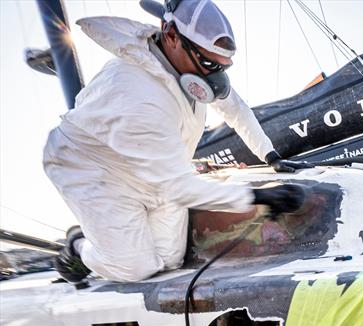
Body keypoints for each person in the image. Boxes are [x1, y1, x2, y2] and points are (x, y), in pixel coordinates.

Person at [44, 0, 308, 284]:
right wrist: (257, 197)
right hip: (92, 167)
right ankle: (78, 247)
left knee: (170, 259)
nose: (213, 76)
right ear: (171, 35)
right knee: (136, 268)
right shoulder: (138, 94)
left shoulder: (191, 67)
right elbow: (179, 188)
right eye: (208, 64)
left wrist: (271, 155)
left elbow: (235, 108)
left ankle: (111, 238)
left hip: (153, 169)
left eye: (221, 67)